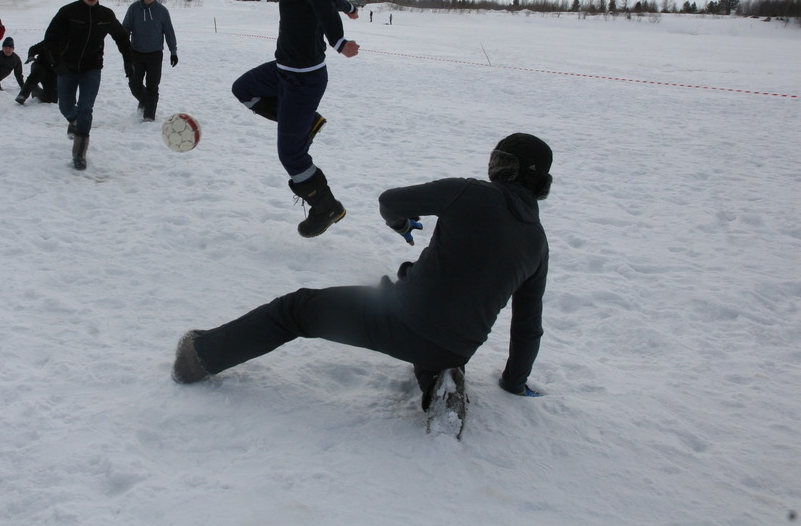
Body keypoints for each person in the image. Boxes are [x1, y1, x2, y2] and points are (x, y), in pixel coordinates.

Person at [172, 133, 554, 412]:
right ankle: (440, 377)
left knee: (297, 309)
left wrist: (400, 223)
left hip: (404, 317)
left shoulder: (469, 192)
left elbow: (390, 201)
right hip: (454, 346)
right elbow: (527, 326)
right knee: (431, 341)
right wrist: (513, 383)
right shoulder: (537, 243)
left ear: (503, 167)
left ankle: (199, 357)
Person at [231, 0, 361, 238]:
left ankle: (326, 207)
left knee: (291, 155)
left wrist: (339, 41)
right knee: (243, 89)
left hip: (303, 81)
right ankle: (308, 123)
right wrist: (350, 8)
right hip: (284, 70)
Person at [30, 0, 132, 170]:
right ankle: (74, 121)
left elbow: (122, 38)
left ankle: (79, 154)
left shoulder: (106, 15)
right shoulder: (68, 12)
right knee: (66, 107)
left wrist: (129, 62)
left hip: (92, 69)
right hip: (67, 69)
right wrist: (56, 63)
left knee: (86, 109)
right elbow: (50, 39)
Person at [122, 0, 178, 122]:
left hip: (155, 54)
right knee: (134, 83)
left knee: (153, 85)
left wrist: (173, 51)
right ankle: (145, 100)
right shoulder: (134, 9)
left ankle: (149, 116)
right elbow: (125, 29)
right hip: (136, 53)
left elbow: (169, 32)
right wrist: (125, 47)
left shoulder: (162, 11)